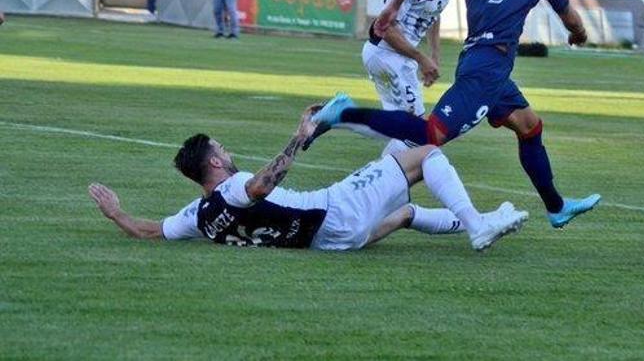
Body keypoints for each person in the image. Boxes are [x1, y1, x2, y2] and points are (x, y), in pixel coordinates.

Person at [307, 0, 601, 229]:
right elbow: (572, 20)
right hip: (485, 69)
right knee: (429, 134)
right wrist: (579, 35)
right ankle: (343, 115)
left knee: (530, 127)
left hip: (486, 66)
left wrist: (391, 6)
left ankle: (556, 206)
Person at [87, 106, 529, 252]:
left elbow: (148, 230)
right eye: (221, 148)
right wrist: (298, 139)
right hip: (336, 210)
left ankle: (484, 218)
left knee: (406, 207)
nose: (228, 151)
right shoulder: (235, 186)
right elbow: (260, 187)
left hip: (331, 242)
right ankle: (476, 225)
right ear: (216, 164)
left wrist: (115, 214)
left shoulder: (199, 214)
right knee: (422, 153)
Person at [360, 0, 466, 157]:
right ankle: (339, 118)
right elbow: (384, 27)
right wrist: (421, 58)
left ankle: (384, 189)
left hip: (402, 58)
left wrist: (434, 54)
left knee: (408, 133)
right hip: (384, 55)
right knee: (418, 134)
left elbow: (433, 13)